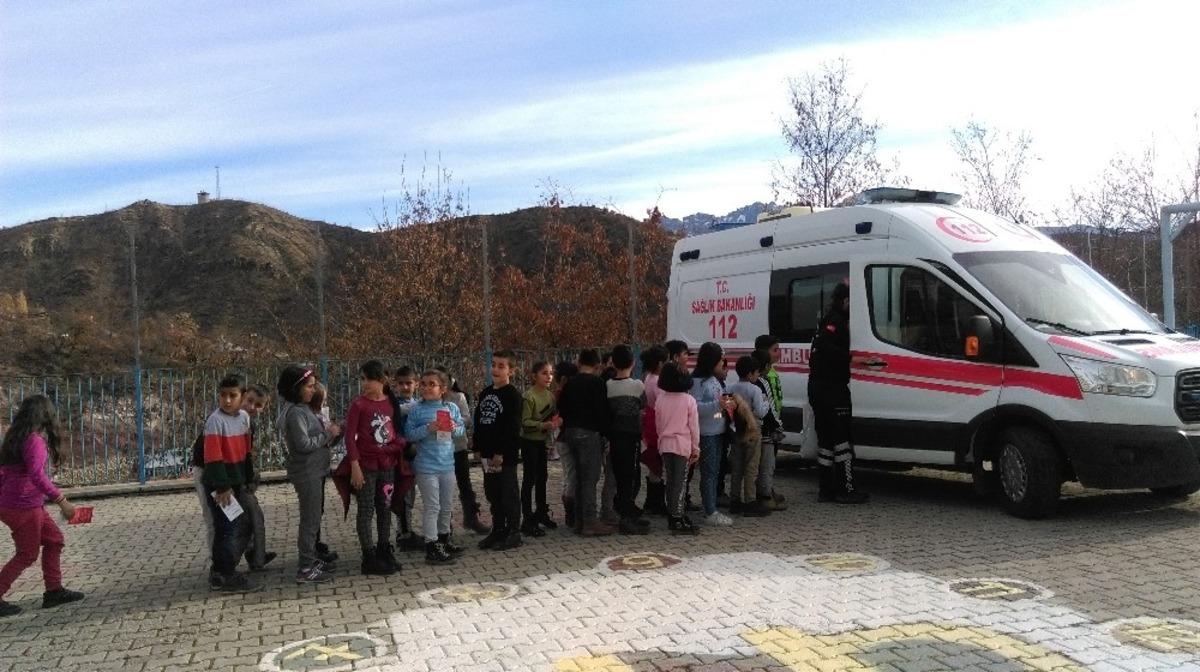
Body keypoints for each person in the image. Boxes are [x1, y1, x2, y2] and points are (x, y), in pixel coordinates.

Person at [0, 395, 85, 616]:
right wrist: (62, 501)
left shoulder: (14, 437)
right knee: (27, 554)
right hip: (23, 506)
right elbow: (37, 476)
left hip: (16, 504)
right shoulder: (35, 441)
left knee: (54, 540)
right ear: (46, 416)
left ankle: (54, 591)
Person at [277, 366, 339, 584]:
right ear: (296, 389)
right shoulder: (295, 413)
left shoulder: (305, 410)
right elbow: (303, 444)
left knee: (315, 517)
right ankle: (305, 567)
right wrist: (326, 435)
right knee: (310, 520)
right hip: (307, 472)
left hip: (316, 470)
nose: (314, 390)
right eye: (309, 386)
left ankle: (311, 558)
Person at [809, 282, 869, 504]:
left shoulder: (827, 319)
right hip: (832, 390)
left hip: (817, 388)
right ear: (846, 300)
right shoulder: (836, 321)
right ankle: (847, 489)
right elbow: (825, 346)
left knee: (825, 442)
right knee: (843, 442)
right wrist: (852, 358)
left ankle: (826, 490)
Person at [201, 374, 261, 592]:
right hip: (221, 486)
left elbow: (247, 452)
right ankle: (225, 573)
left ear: (242, 396)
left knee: (233, 526)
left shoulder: (244, 418)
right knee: (227, 528)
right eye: (223, 395)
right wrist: (223, 487)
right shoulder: (215, 421)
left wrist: (248, 478)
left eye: (232, 396)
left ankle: (220, 572)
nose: (227, 400)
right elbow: (213, 458)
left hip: (234, 483)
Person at [346, 360, 407, 575]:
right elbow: (350, 438)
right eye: (362, 379)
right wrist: (355, 466)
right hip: (366, 466)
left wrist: (398, 446)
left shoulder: (390, 403)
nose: (364, 383)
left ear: (381, 380)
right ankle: (368, 556)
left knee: (385, 506)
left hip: (387, 464)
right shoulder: (358, 405)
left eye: (368, 379)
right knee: (366, 509)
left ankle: (384, 548)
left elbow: (396, 430)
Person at [405, 369, 467, 565]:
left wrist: (453, 428)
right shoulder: (416, 409)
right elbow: (408, 434)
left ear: (443, 389)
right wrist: (427, 428)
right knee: (433, 506)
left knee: (446, 506)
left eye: (432, 384)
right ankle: (431, 545)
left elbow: (461, 429)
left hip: (447, 465)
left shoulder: (451, 407)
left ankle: (444, 539)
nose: (426, 387)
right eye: (423, 384)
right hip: (426, 467)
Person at [558, 349, 614, 536]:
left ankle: (579, 520)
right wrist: (606, 434)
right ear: (597, 365)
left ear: (579, 362)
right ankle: (590, 520)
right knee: (590, 478)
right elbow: (602, 411)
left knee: (579, 477)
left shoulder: (570, 382)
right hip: (589, 434)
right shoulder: (597, 383)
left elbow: (562, 408)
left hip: (571, 433)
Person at [474, 350, 525, 550]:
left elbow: (512, 428)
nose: (495, 369)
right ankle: (498, 529)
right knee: (492, 493)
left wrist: (501, 453)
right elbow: (479, 420)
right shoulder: (486, 393)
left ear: (511, 370)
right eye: (493, 364)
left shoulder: (513, 395)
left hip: (504, 456)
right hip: (487, 454)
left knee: (508, 493)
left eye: (501, 366)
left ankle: (514, 532)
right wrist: (478, 447)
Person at [433, 365, 488, 535]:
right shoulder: (430, 399)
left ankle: (471, 518)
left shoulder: (458, 397)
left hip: (458, 447)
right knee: (441, 487)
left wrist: (452, 423)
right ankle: (444, 525)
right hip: (439, 449)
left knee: (465, 484)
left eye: (443, 381)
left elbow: (467, 419)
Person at [690, 343, 736, 526]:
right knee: (709, 472)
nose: (722, 365)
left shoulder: (714, 379)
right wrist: (718, 406)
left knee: (715, 471)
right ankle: (710, 510)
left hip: (719, 430)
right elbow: (695, 407)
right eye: (720, 361)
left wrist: (729, 403)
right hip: (707, 432)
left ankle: (710, 505)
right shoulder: (697, 382)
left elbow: (721, 398)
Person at [606, 345, 649, 535]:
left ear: (612, 363)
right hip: (632, 437)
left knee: (619, 476)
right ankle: (626, 516)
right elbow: (644, 406)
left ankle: (624, 509)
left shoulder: (607, 386)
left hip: (614, 437)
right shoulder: (638, 386)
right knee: (630, 477)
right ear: (633, 363)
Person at [654, 363, 700, 535]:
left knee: (669, 481)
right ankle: (678, 517)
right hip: (682, 446)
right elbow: (694, 427)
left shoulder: (661, 398)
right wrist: (696, 448)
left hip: (665, 445)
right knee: (680, 483)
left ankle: (672, 515)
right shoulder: (689, 400)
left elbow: (658, 425)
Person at [726, 356, 771, 517]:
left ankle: (734, 500)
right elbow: (760, 411)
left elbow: (727, 409)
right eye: (757, 373)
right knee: (751, 466)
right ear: (751, 374)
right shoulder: (755, 390)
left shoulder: (730, 387)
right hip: (752, 429)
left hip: (736, 429)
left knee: (736, 467)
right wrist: (766, 402)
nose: (758, 375)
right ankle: (750, 500)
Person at [238, 384, 276, 572]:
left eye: (258, 405)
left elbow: (248, 454)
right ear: (243, 396)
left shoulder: (249, 422)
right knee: (240, 520)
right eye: (250, 401)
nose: (252, 407)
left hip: (241, 478)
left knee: (254, 516)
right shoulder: (232, 419)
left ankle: (257, 556)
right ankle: (224, 565)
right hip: (225, 479)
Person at [520, 361, 560, 537]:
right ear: (534, 376)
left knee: (542, 478)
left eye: (550, 373)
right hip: (529, 443)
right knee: (530, 480)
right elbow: (525, 423)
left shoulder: (550, 396)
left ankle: (541, 513)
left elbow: (553, 415)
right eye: (544, 373)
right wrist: (544, 425)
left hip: (542, 442)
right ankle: (527, 520)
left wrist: (557, 421)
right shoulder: (529, 396)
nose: (549, 376)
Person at [389, 366, 424, 552]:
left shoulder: (419, 402)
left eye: (408, 383)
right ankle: (404, 534)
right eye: (400, 383)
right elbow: (397, 413)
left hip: (416, 454)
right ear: (395, 385)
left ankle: (406, 531)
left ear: (416, 384)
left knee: (410, 493)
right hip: (401, 455)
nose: (404, 387)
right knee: (403, 493)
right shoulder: (393, 404)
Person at [754, 334, 787, 511]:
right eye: (775, 350)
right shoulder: (765, 378)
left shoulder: (772, 373)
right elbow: (767, 403)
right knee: (765, 462)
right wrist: (775, 423)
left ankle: (768, 489)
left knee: (770, 460)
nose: (778, 354)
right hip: (768, 426)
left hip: (772, 422)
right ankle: (763, 494)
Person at [638, 345, 669, 516]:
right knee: (657, 465)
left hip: (650, 421)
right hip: (657, 424)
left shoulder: (647, 377)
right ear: (659, 363)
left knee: (654, 466)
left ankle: (652, 501)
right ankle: (656, 502)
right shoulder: (658, 382)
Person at [552, 361, 579, 528]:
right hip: (565, 439)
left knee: (570, 476)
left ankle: (572, 511)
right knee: (571, 477)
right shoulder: (562, 393)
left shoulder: (558, 393)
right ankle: (571, 513)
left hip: (563, 439)